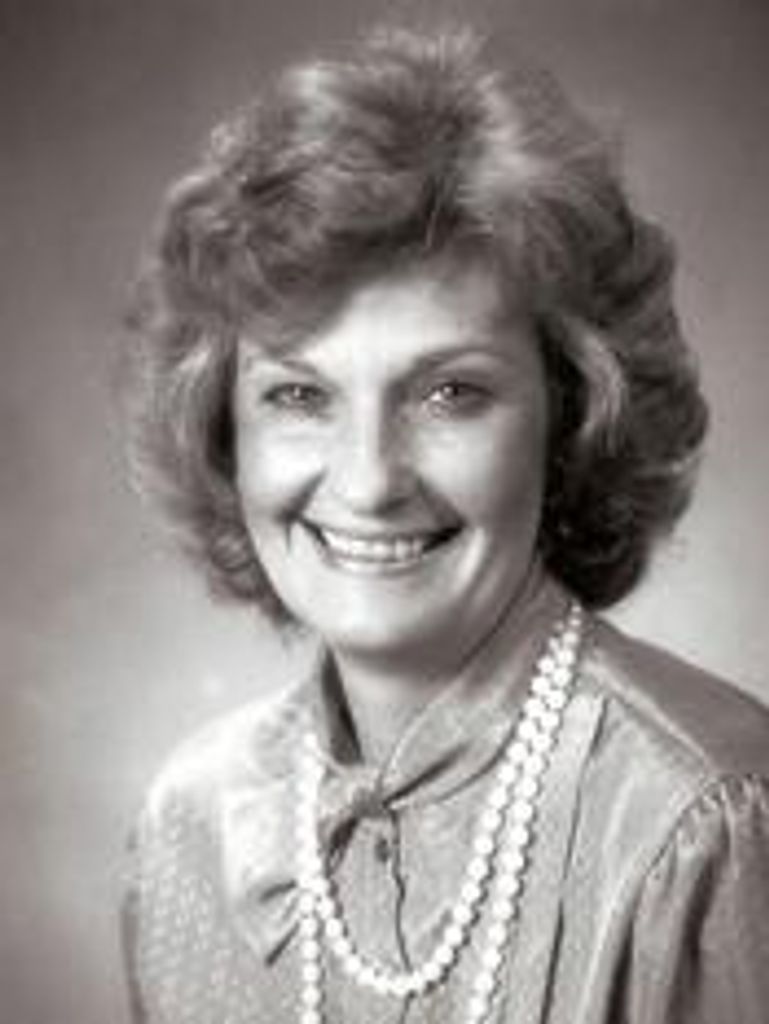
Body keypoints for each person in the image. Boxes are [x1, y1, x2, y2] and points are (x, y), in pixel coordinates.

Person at [120, 25, 769, 1024]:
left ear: (570, 414)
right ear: (223, 428)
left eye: (448, 393)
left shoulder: (703, 823)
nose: (368, 480)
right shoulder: (189, 829)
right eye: (299, 395)